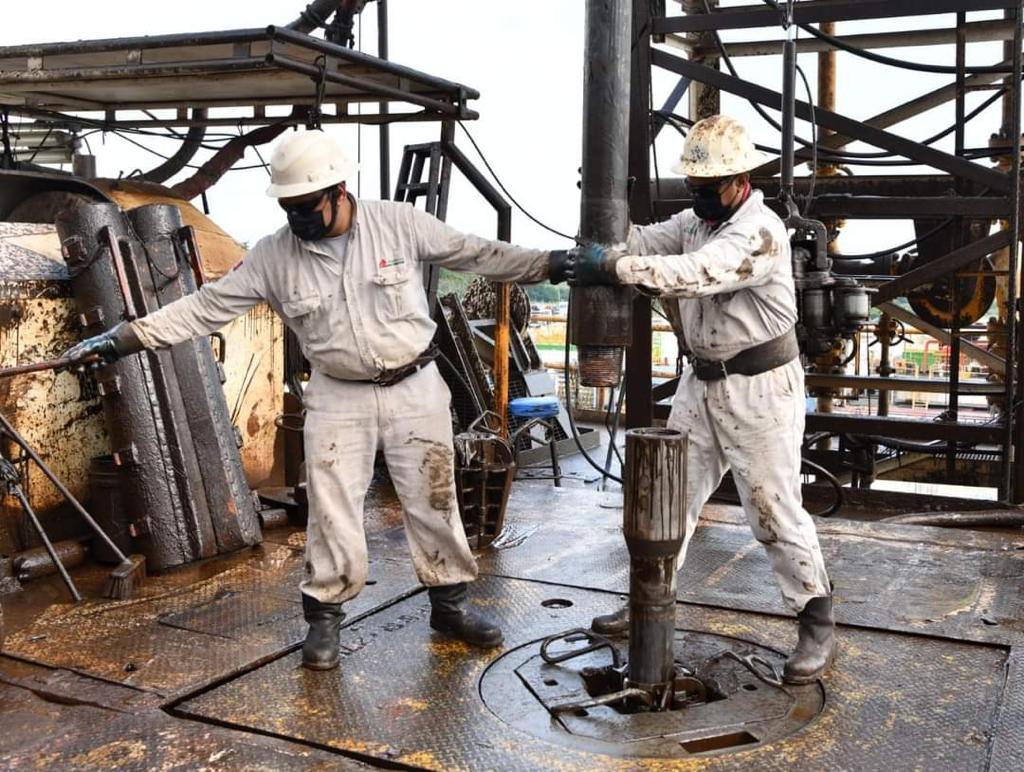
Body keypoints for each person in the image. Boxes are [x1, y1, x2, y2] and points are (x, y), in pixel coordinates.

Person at [63, 130, 571, 671]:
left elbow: (478, 253)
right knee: (332, 510)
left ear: (339, 190)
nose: (298, 218)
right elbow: (204, 308)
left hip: (415, 386)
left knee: (434, 499)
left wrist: (552, 264)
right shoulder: (273, 255)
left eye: (306, 206)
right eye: (289, 208)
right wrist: (125, 338)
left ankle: (450, 607)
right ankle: (324, 619)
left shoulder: (398, 224)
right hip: (337, 393)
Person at [567, 114, 834, 684]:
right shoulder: (695, 222)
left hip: (760, 388)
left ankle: (815, 621)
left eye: (708, 187)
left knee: (772, 508)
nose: (699, 197)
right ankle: (646, 601)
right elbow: (642, 242)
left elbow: (696, 273)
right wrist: (601, 214)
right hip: (701, 381)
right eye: (694, 187)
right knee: (668, 498)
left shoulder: (759, 233)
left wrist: (614, 265)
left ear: (740, 181)